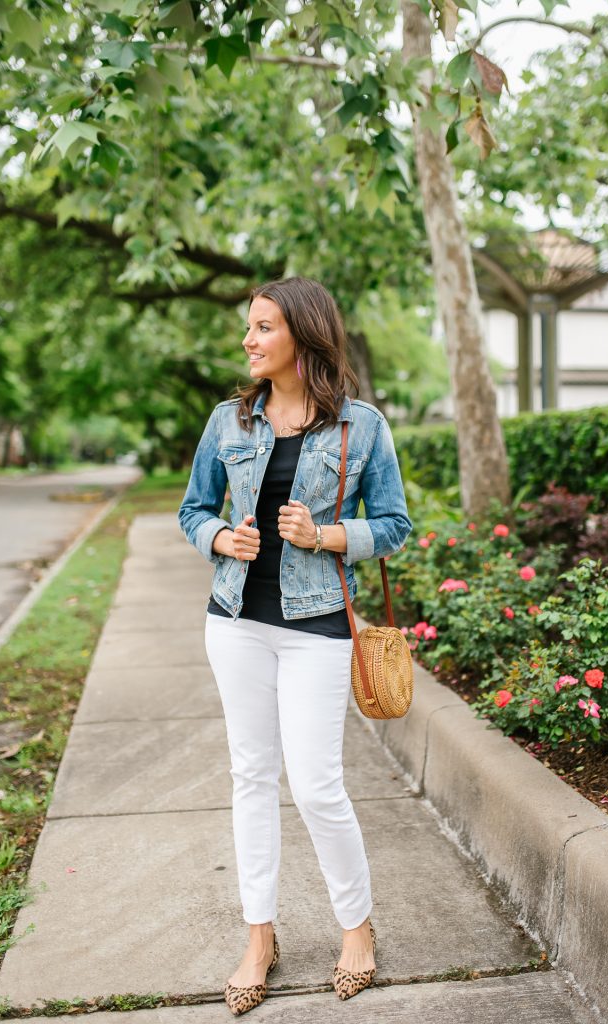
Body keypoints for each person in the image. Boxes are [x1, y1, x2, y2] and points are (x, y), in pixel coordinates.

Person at [178, 276, 412, 1016]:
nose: (248, 340)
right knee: (252, 777)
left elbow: (396, 525)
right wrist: (222, 535)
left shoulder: (361, 427)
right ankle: (259, 937)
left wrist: (328, 534)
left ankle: (357, 928)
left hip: (316, 630)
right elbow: (190, 511)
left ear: (304, 335)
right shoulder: (228, 421)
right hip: (234, 620)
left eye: (262, 327)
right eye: (248, 328)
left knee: (315, 785)